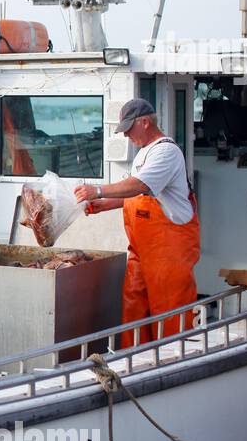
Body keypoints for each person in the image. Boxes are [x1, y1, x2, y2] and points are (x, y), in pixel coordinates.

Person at [74, 99, 200, 346]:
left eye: (129, 129)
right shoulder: (144, 154)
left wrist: (97, 191)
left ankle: (173, 362)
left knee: (170, 312)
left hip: (170, 252)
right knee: (134, 306)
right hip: (142, 250)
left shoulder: (166, 151)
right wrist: (105, 204)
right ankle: (133, 360)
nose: (127, 136)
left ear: (145, 122)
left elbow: (140, 185)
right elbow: (138, 195)